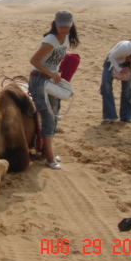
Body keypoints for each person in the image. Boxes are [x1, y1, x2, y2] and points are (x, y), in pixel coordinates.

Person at [28, 10, 80, 170]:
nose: (63, 29)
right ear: (55, 24)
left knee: (55, 114)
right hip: (40, 80)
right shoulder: (50, 40)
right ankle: (49, 157)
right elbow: (34, 60)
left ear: (71, 25)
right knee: (48, 115)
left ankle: (46, 149)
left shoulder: (65, 39)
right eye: (60, 26)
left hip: (52, 81)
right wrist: (50, 73)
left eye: (66, 26)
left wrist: (56, 74)